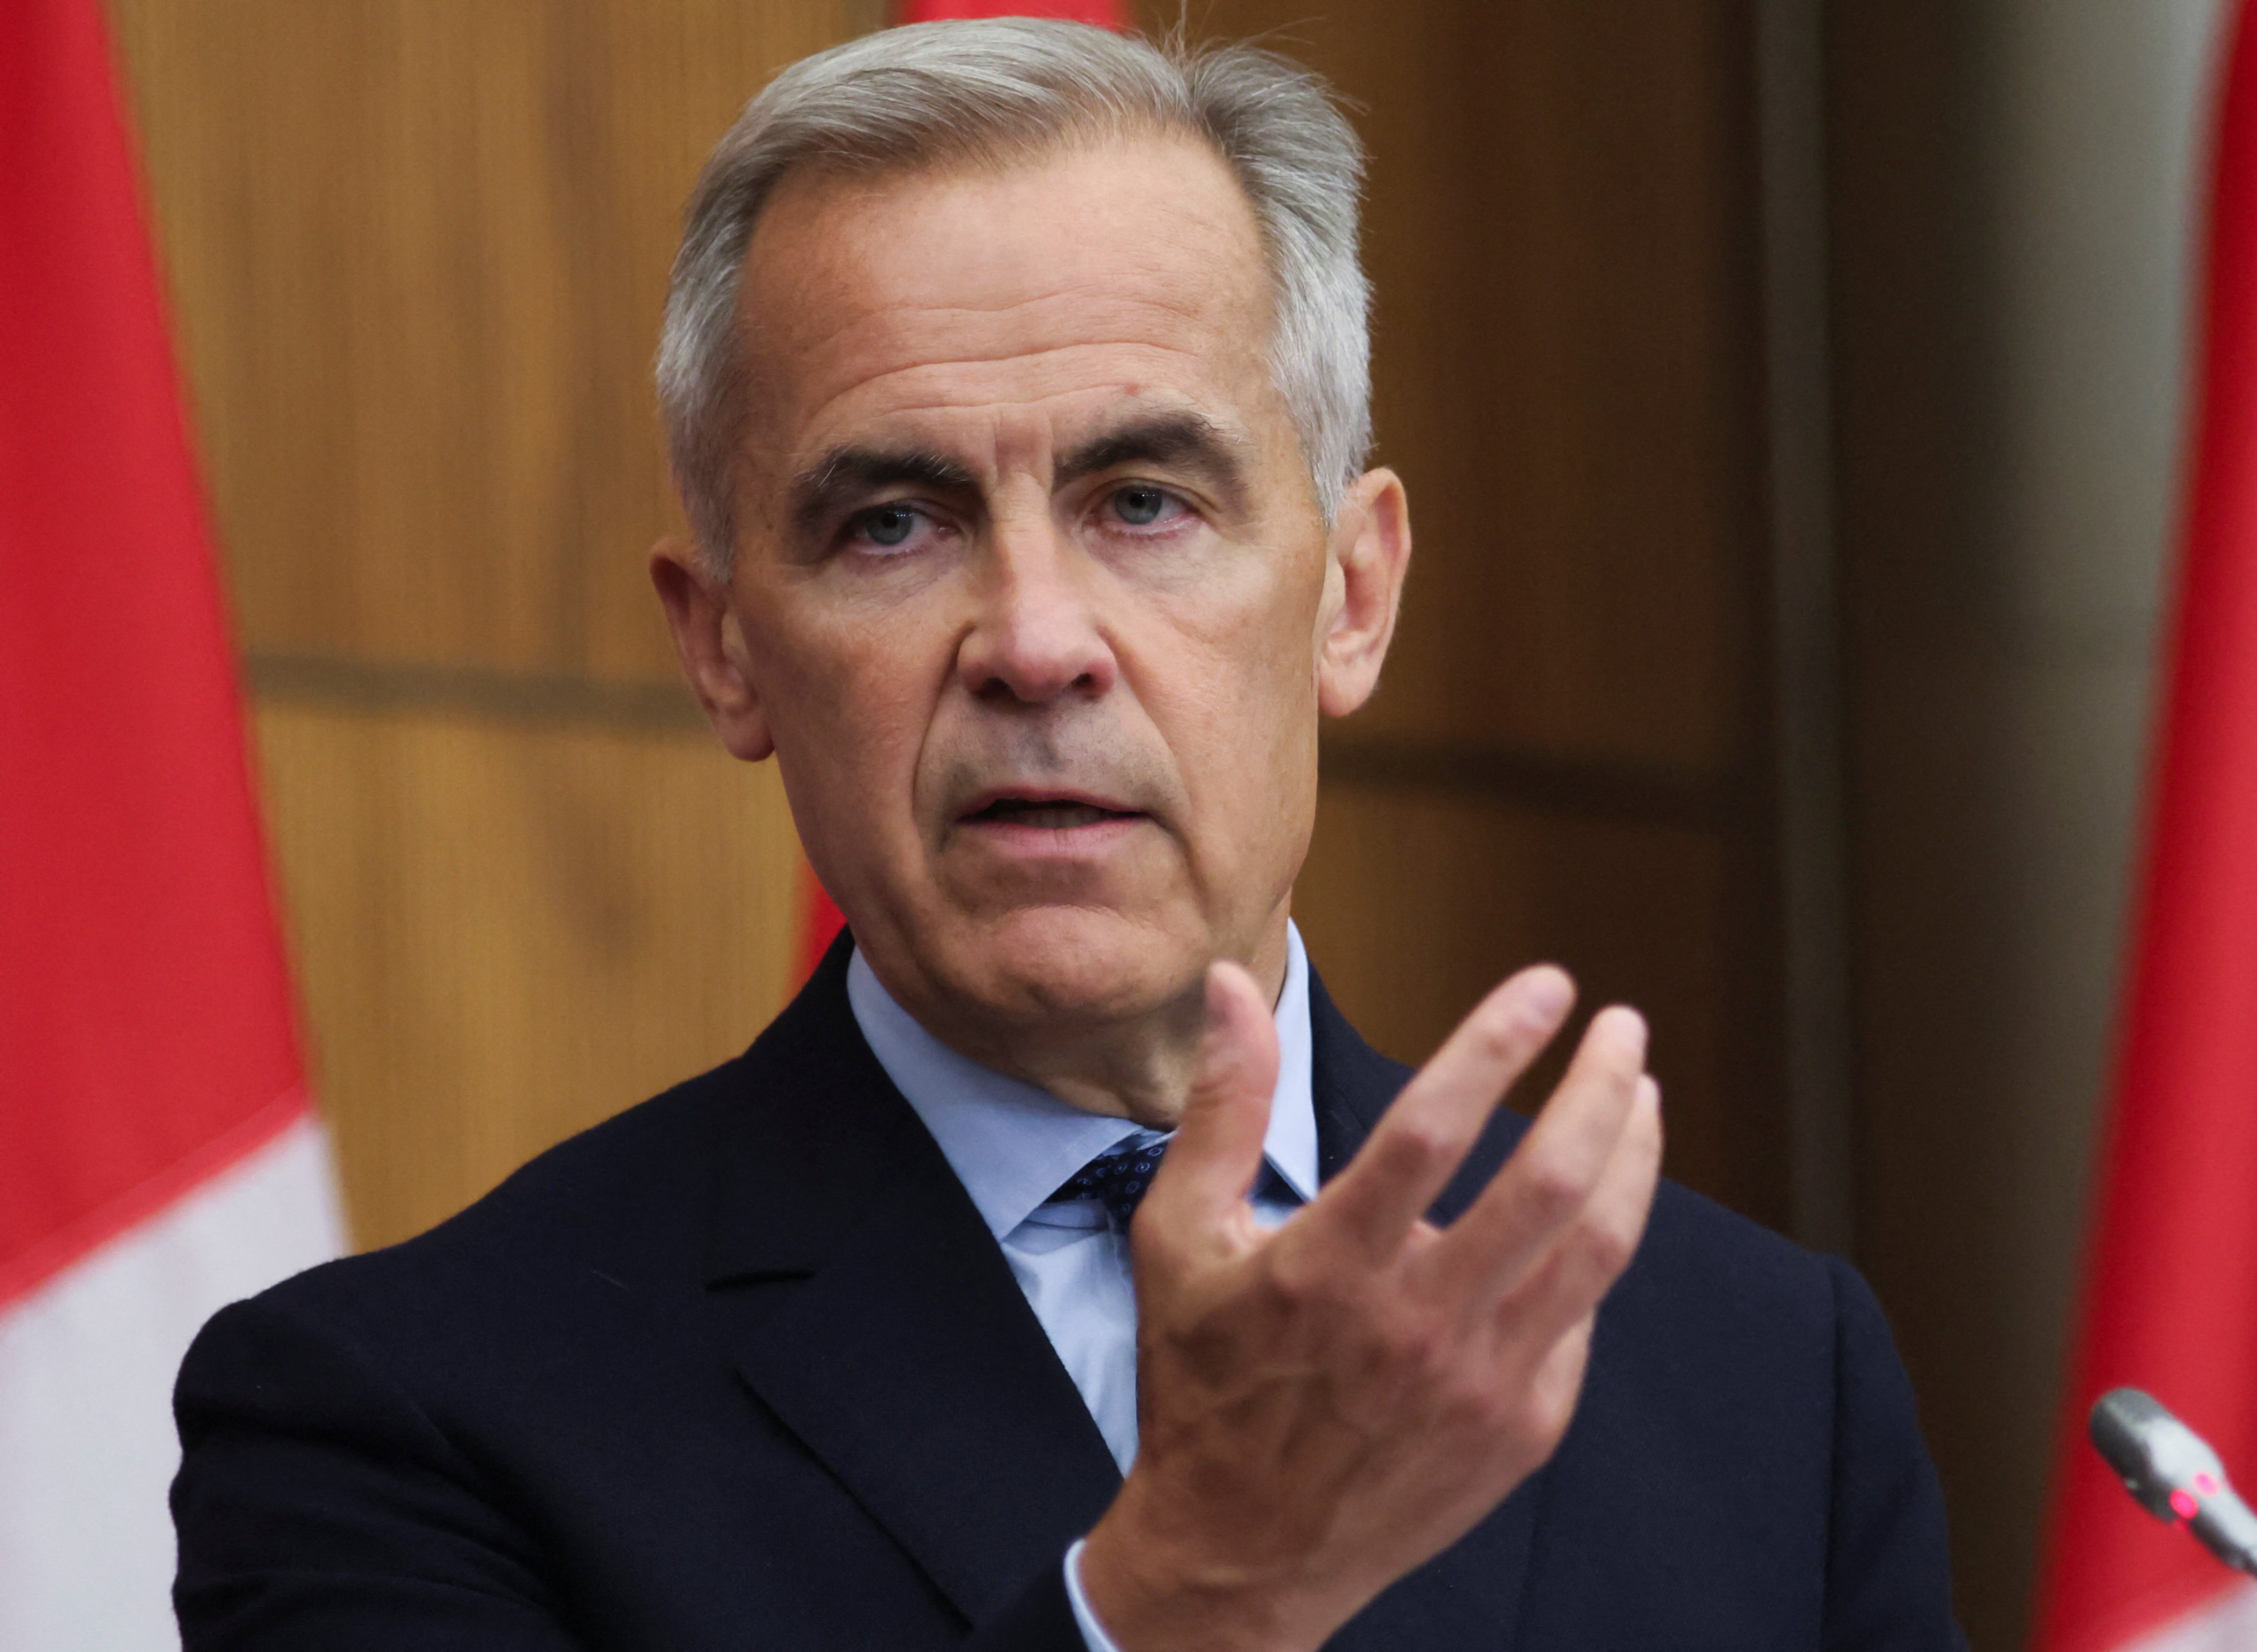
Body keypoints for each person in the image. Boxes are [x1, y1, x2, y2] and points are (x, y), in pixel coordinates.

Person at [170, 20, 1961, 1651]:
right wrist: (1184, 1598)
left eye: (1146, 502)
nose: (1035, 641)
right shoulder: (404, 1420)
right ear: (726, 650)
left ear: (1352, 594)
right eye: (892, 522)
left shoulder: (1756, 1376)